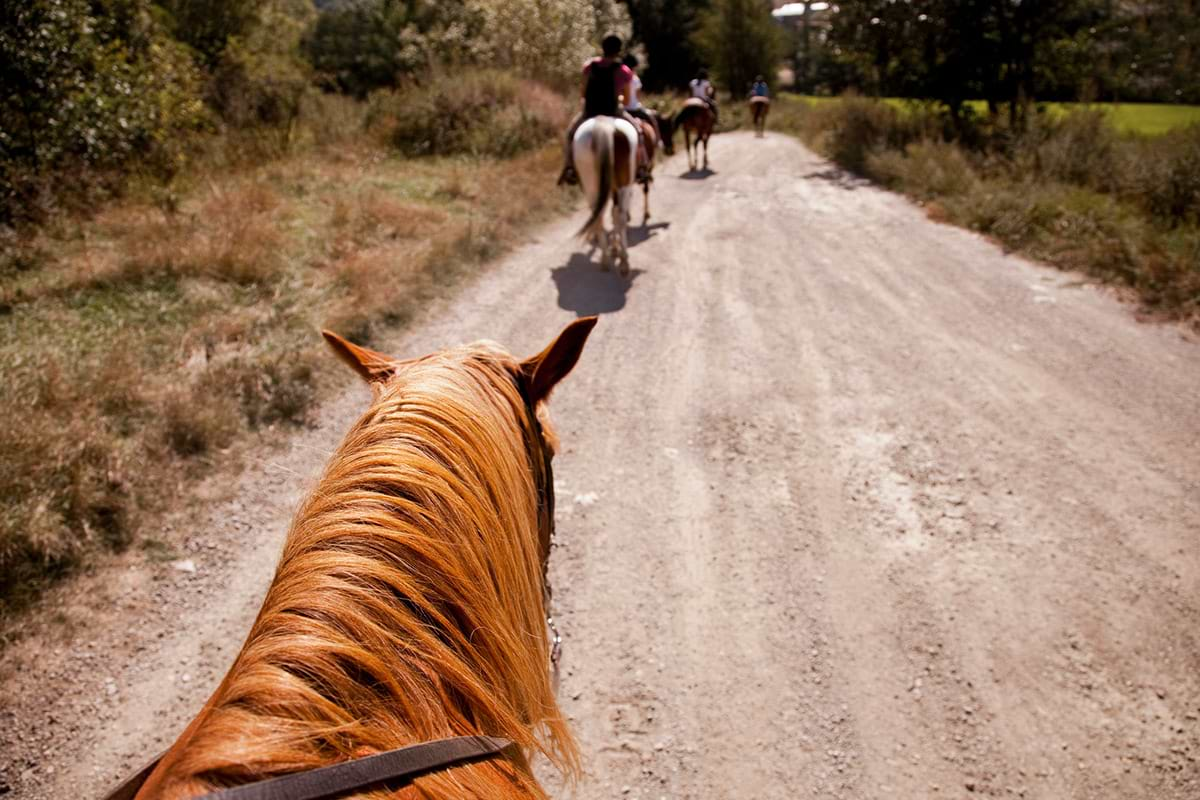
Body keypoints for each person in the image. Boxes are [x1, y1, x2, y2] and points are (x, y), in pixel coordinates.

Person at [558, 34, 641, 186]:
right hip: (613, 111)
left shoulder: (589, 66)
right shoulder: (624, 70)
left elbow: (583, 93)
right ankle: (642, 166)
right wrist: (619, 98)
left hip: (590, 111)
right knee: (638, 132)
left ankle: (569, 167)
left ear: (602, 48)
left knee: (571, 134)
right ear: (619, 50)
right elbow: (627, 100)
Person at [622, 54, 660, 169]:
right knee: (652, 120)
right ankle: (658, 141)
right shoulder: (635, 78)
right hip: (635, 108)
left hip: (622, 109)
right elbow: (638, 97)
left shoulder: (619, 76)